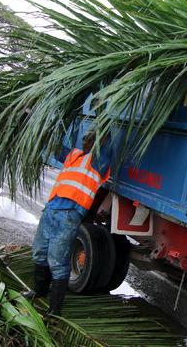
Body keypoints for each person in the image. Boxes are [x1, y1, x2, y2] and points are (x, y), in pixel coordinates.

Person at [27, 130, 111, 317]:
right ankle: (39, 291)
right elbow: (54, 147)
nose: (86, 140)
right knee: (39, 252)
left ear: (97, 142)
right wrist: (34, 121)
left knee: (57, 262)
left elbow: (107, 141)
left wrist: (103, 114)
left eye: (91, 138)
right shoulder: (73, 155)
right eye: (86, 138)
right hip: (50, 210)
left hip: (68, 215)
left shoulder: (97, 162)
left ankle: (54, 309)